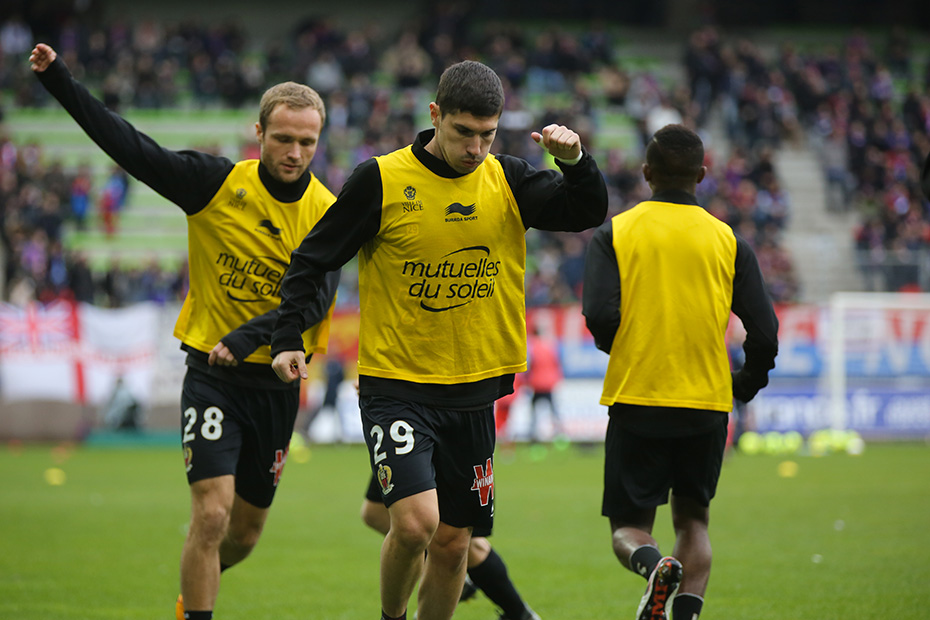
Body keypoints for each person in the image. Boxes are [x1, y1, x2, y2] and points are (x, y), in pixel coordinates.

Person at [270, 60, 607, 620]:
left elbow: (586, 211)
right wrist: (287, 336)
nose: (476, 148)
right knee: (415, 523)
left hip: (473, 388)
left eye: (487, 135)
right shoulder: (380, 180)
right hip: (396, 384)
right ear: (435, 115)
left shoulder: (508, 179)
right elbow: (312, 259)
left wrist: (574, 163)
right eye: (463, 132)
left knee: (454, 544)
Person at [31, 43, 339, 620]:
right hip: (211, 376)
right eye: (283, 139)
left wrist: (248, 337)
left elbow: (316, 302)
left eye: (307, 142)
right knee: (211, 514)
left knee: (243, 535)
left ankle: (189, 597)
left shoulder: (327, 212)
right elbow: (130, 147)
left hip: (275, 386)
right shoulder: (213, 184)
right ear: (258, 133)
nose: (295, 152)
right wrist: (59, 81)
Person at [581, 124, 778, 620]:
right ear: (702, 175)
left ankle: (654, 568)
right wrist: (744, 385)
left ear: (646, 173)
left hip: (638, 397)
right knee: (694, 521)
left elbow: (599, 314)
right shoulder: (728, 240)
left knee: (628, 528)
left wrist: (627, 349)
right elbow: (765, 332)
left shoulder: (616, 232)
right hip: (706, 403)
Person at [360, 476, 540, 620]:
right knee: (375, 512)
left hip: (452, 445)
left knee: (458, 541)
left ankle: (519, 613)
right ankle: (456, 582)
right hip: (408, 442)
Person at [525, 327, 564, 442]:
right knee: (553, 410)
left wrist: (526, 380)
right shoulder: (550, 345)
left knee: (534, 410)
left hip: (537, 383)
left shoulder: (532, 347)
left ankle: (533, 434)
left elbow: (529, 365)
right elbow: (557, 362)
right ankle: (559, 432)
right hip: (549, 383)